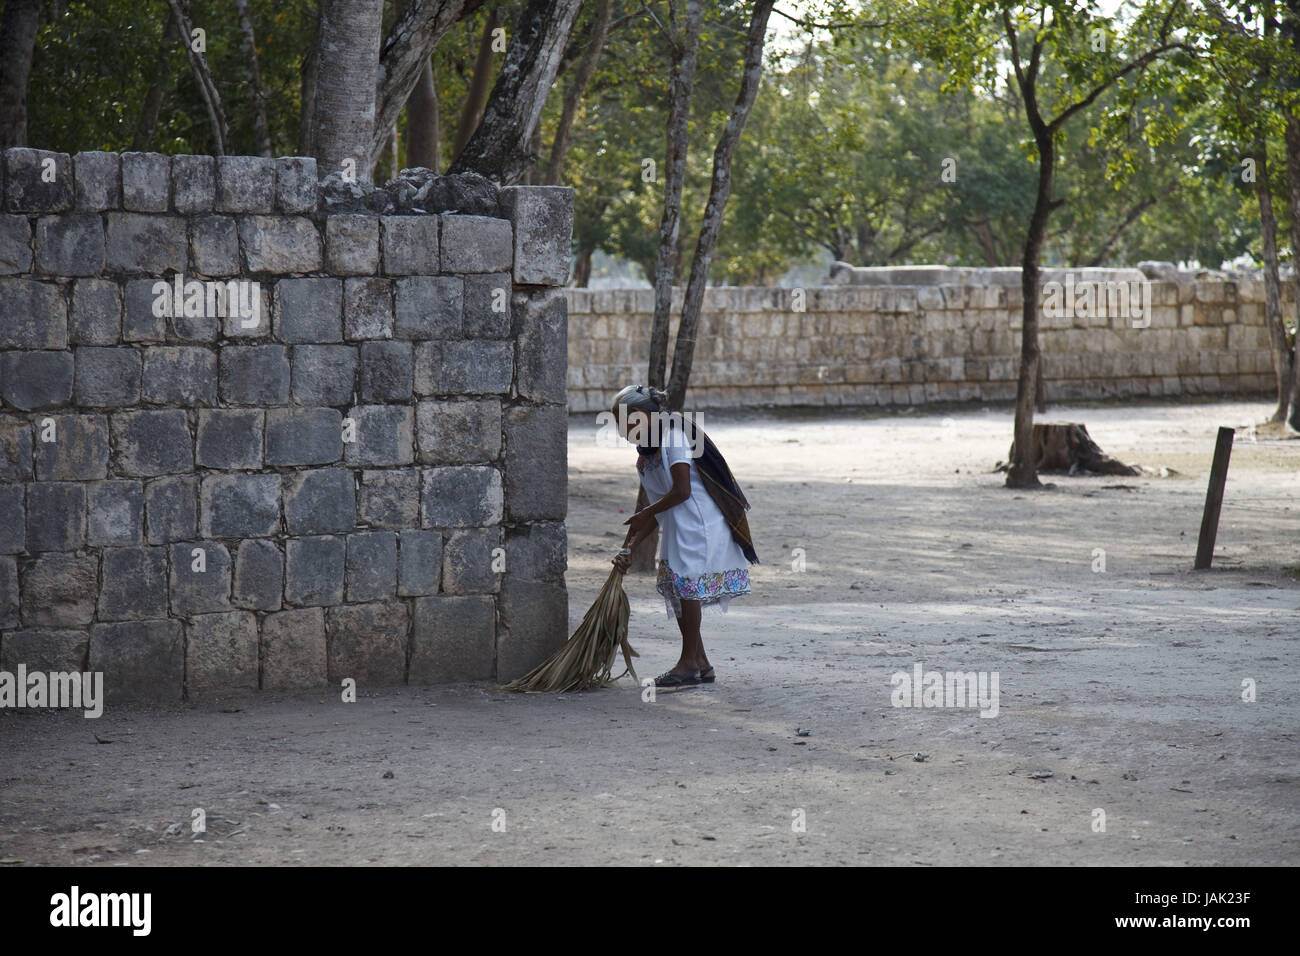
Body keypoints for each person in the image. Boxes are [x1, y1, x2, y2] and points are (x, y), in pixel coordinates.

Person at [609, 385, 758, 687]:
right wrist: (629, 549)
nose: (621, 432)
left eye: (623, 424)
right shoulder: (644, 457)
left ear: (639, 417)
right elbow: (652, 510)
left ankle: (688, 662)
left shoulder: (672, 436)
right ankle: (701, 663)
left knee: (687, 586)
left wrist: (645, 515)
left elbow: (681, 491)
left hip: (701, 524)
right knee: (678, 589)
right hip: (679, 524)